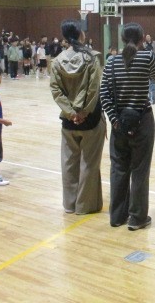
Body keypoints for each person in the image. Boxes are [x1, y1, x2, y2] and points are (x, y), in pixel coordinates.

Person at [100, 23, 155, 230]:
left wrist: (114, 120)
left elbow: (104, 93)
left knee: (118, 169)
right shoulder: (147, 57)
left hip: (119, 122)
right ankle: (137, 218)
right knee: (140, 170)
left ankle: (117, 216)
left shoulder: (112, 61)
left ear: (122, 38)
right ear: (142, 38)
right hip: (142, 121)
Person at [50, 19, 106, 215]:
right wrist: (83, 112)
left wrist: (70, 113)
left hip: (68, 121)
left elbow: (56, 90)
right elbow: (94, 89)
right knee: (89, 163)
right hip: (91, 119)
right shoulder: (92, 58)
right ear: (81, 34)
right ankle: (84, 206)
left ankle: (70, 204)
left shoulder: (57, 61)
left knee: (69, 164)